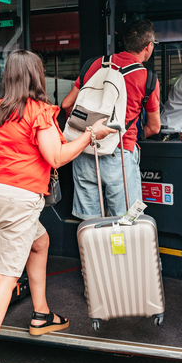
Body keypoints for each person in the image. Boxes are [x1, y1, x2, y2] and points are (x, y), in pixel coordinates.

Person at [0, 50, 115, 363]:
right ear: (37, 76)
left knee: (40, 241)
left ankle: (41, 313)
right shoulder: (39, 113)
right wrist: (90, 136)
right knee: (4, 278)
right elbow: (56, 157)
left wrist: (4, 154)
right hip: (17, 200)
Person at [61, 19, 161, 219]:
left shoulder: (94, 64)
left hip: (84, 148)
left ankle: (92, 251)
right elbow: (154, 128)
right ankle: (119, 252)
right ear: (148, 46)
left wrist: (85, 130)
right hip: (119, 153)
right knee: (126, 220)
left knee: (89, 222)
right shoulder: (146, 77)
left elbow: (66, 104)